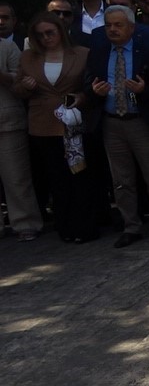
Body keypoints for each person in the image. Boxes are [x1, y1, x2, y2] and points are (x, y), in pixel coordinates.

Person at [85, 5, 149, 247]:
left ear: (131, 28)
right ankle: (131, 226)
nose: (112, 29)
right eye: (108, 25)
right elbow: (87, 82)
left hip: (140, 121)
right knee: (121, 180)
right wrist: (94, 92)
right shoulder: (100, 51)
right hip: (112, 122)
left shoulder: (148, 50)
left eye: (118, 25)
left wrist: (145, 91)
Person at [14, 13, 98, 242]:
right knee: (57, 178)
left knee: (80, 176)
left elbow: (90, 87)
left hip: (74, 124)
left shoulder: (81, 54)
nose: (46, 38)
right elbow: (18, 91)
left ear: (61, 31)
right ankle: (66, 228)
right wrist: (25, 86)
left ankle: (86, 227)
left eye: (50, 32)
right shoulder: (28, 58)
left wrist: (80, 98)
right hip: (43, 125)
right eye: (40, 35)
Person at [0, 33, 41, 241]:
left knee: (16, 176)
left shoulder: (7, 47)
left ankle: (25, 222)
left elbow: (20, 83)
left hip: (7, 121)